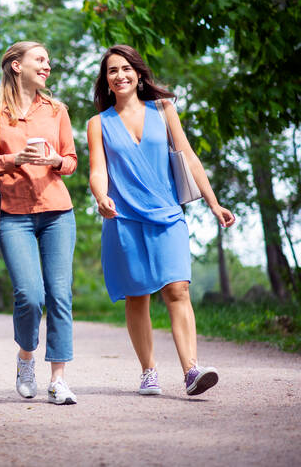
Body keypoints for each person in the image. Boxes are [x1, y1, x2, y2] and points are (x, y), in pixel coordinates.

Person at [86, 44, 236, 396]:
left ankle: (191, 371)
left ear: (138, 74)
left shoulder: (164, 109)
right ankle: (148, 371)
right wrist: (100, 197)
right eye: (112, 71)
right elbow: (97, 170)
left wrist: (213, 203)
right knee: (137, 296)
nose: (120, 75)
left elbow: (188, 157)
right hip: (123, 218)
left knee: (177, 289)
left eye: (126, 69)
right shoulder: (98, 123)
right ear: (106, 81)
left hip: (168, 214)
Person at [0, 41, 79, 404]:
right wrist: (14, 158)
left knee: (59, 294)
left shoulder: (57, 110)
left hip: (57, 212)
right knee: (30, 296)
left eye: (48, 60)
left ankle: (59, 379)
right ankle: (26, 358)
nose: (47, 65)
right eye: (40, 59)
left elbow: (71, 159)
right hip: (12, 215)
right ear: (17, 66)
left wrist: (53, 160)